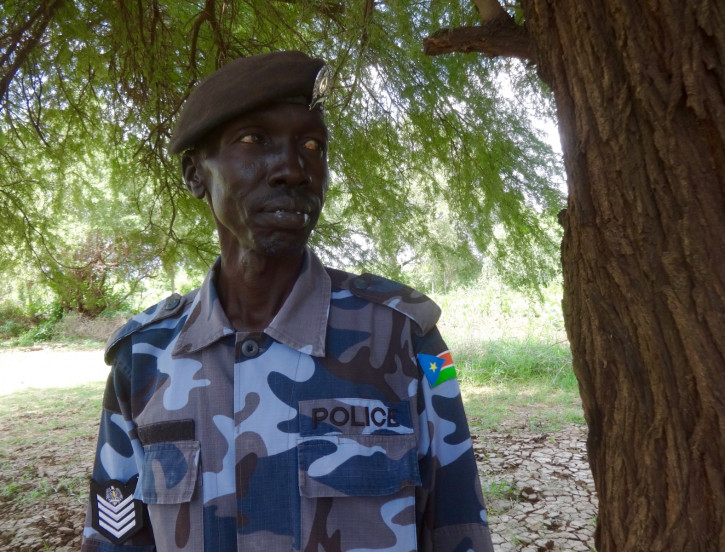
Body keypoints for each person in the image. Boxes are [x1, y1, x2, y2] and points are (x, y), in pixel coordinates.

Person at [82, 50, 493, 552]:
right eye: (254, 140)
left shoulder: (408, 338)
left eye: (312, 145)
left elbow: (458, 530)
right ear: (195, 175)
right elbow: (114, 539)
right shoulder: (142, 359)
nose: (293, 169)